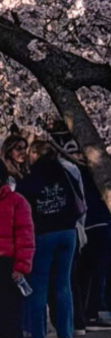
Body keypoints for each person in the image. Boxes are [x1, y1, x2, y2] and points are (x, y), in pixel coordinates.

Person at [18, 141, 84, 338]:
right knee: (63, 286)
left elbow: (22, 207)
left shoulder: (30, 179)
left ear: (35, 154)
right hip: (68, 232)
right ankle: (66, 332)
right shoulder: (66, 174)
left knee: (39, 287)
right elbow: (79, 200)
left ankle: (38, 333)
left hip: (43, 234)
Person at [1, 160, 35, 338]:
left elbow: (25, 238)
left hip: (8, 265)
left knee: (10, 317)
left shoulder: (17, 202)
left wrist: (21, 267)